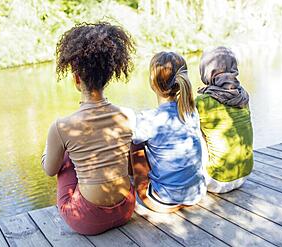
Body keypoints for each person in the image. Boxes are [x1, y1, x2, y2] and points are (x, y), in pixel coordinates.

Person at [41, 22, 136, 235]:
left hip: (87, 221)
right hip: (127, 209)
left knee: (64, 157)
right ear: (109, 76)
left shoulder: (61, 126)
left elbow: (49, 170)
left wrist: (48, 152)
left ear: (76, 78)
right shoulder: (127, 115)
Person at [130, 51, 206, 213]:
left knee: (134, 144)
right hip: (196, 193)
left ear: (152, 82)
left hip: (164, 200)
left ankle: (133, 187)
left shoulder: (148, 119)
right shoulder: (191, 112)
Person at [195, 46, 253, 193]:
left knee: (193, 130)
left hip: (216, 180)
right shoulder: (243, 95)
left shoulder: (202, 102)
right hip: (245, 174)